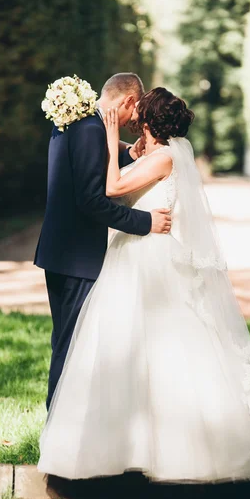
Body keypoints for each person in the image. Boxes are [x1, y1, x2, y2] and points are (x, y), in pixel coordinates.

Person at [38, 87, 250, 483]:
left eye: (138, 120)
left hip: (147, 258)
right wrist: (122, 145)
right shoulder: (165, 152)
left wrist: (110, 139)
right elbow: (128, 166)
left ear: (146, 123)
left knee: (153, 347)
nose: (130, 125)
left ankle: (154, 448)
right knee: (129, 349)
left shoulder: (163, 158)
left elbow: (110, 189)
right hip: (136, 254)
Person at [34, 74, 172, 410]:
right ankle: (57, 431)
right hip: (77, 258)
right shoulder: (93, 130)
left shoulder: (73, 122)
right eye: (133, 113)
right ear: (126, 101)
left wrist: (129, 152)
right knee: (72, 346)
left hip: (60, 253)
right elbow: (92, 201)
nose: (132, 123)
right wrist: (146, 222)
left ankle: (64, 429)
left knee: (66, 342)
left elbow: (90, 163)